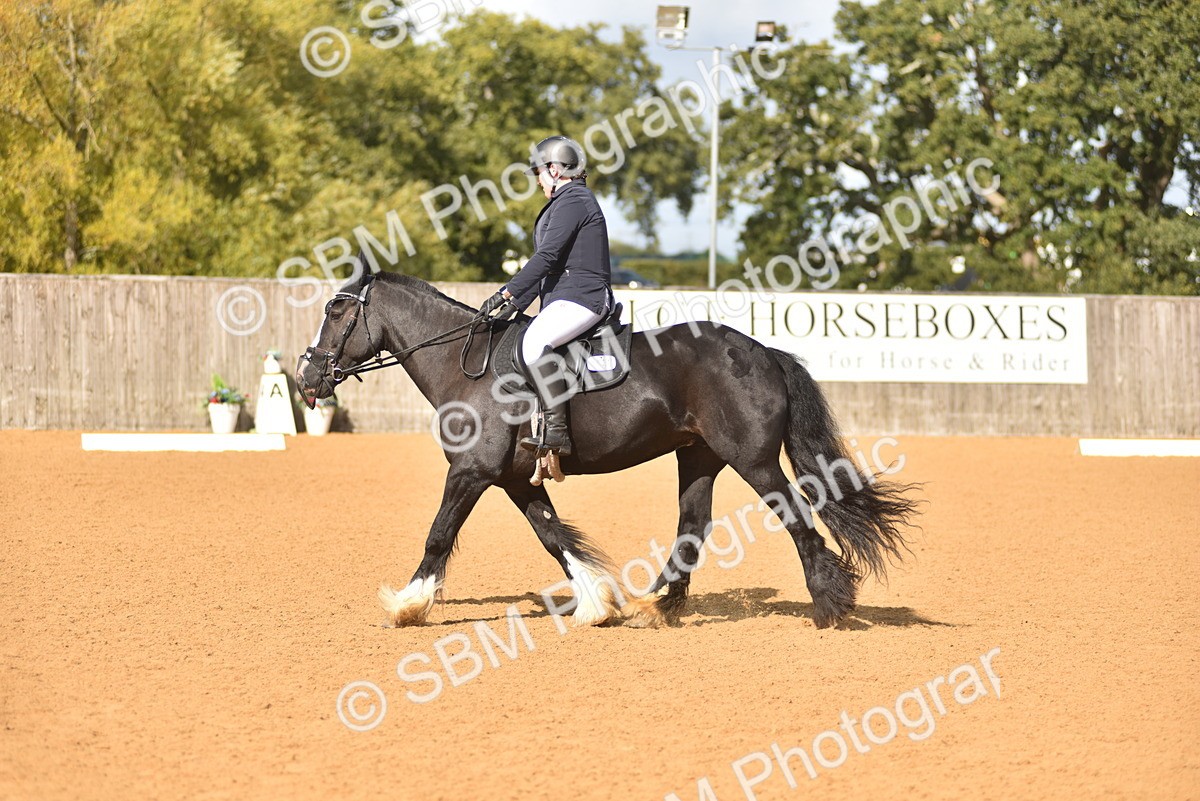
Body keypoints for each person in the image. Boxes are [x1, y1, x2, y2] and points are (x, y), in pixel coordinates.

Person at [478, 135, 613, 456]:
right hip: (567, 296)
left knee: (535, 343)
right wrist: (516, 304)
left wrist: (506, 292)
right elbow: (550, 268)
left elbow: (547, 257)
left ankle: (557, 432)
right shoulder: (567, 201)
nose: (538, 180)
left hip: (584, 296)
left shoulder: (574, 200)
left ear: (554, 169)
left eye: (539, 171)